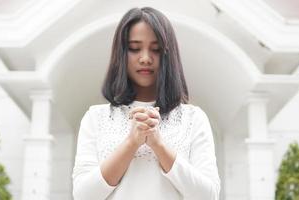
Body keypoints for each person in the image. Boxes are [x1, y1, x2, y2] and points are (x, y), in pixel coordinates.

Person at [72, 7, 220, 200]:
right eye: (134, 48)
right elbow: (83, 195)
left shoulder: (193, 118)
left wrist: (158, 144)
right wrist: (131, 143)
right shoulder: (96, 117)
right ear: (121, 53)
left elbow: (208, 196)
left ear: (168, 54)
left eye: (156, 49)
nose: (145, 58)